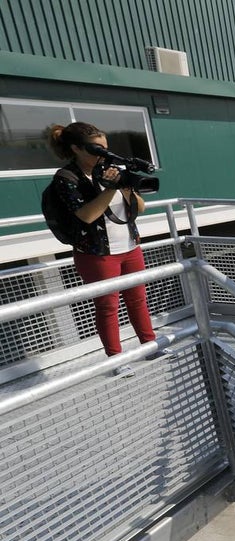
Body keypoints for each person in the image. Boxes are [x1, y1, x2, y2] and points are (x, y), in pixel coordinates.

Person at [46, 122, 160, 376]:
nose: (103, 155)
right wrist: (110, 188)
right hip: (97, 252)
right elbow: (86, 215)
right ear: (76, 148)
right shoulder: (67, 178)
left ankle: (149, 345)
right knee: (108, 307)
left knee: (138, 299)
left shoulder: (109, 170)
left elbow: (139, 209)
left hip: (130, 246)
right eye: (96, 149)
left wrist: (127, 184)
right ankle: (115, 359)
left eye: (105, 149)